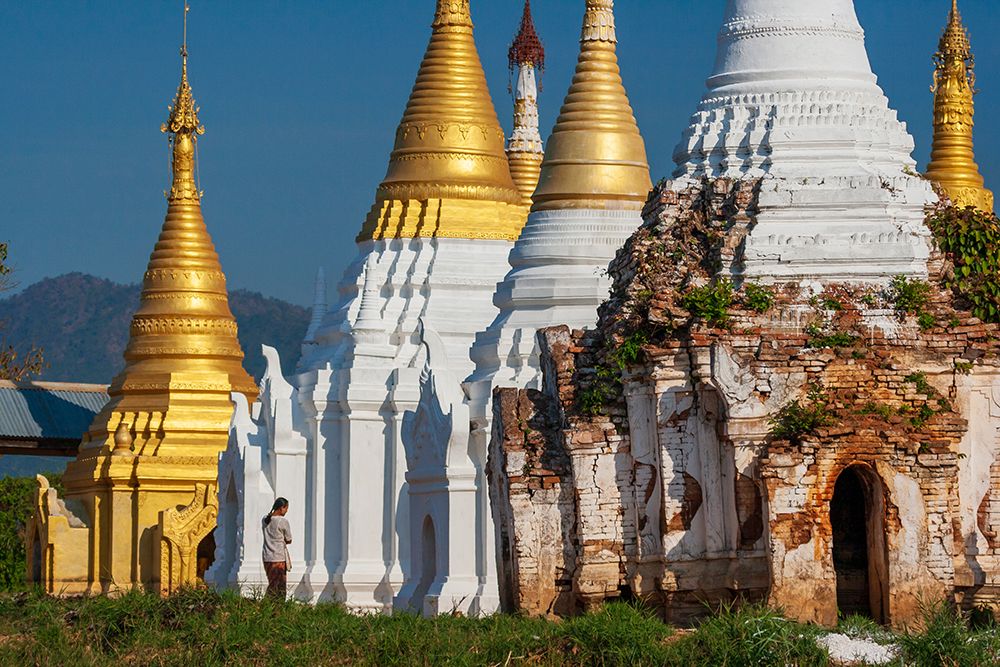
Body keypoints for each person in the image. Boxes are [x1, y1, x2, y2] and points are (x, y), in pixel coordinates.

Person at [262, 497, 292, 599]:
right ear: (281, 508)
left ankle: (271, 608)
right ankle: (269, 607)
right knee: (279, 586)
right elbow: (289, 539)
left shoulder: (265, 520)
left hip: (267, 556)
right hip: (278, 557)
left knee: (273, 583)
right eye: (286, 508)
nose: (286, 511)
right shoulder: (282, 521)